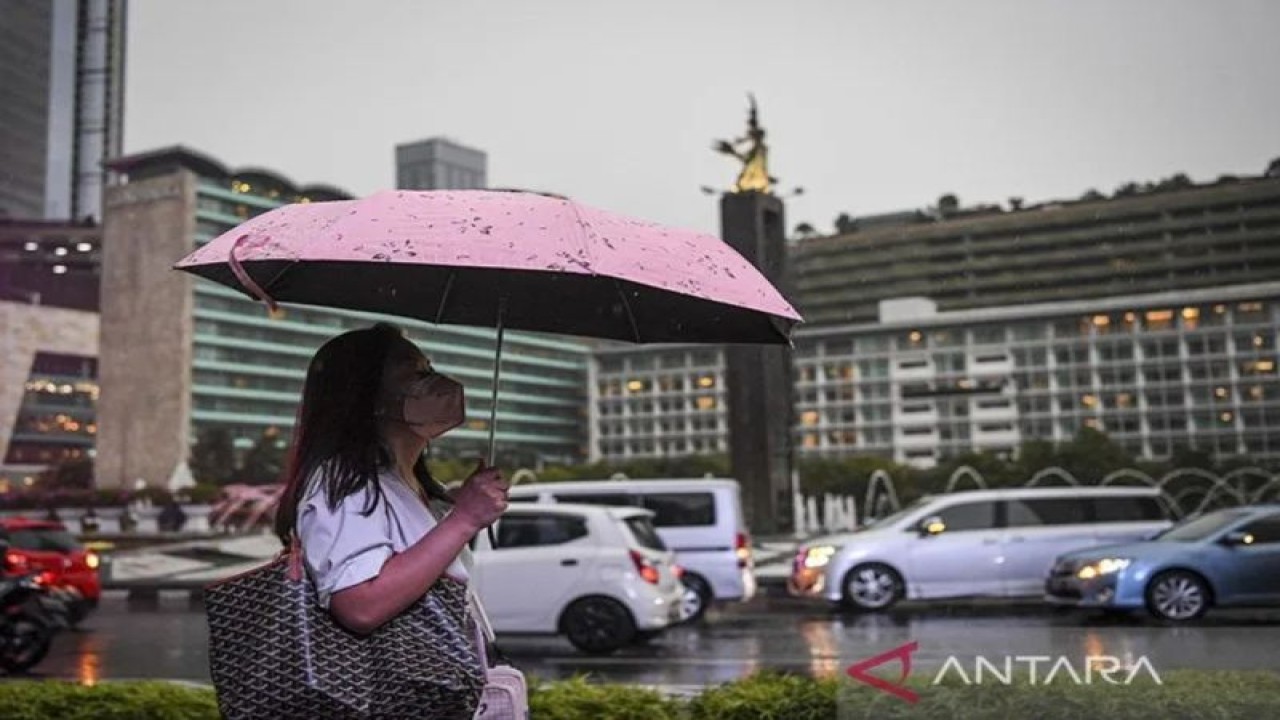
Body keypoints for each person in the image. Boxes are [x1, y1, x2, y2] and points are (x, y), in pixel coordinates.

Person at [272, 323, 508, 717]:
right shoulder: (344, 481)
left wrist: (459, 512)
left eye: (430, 368)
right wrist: (464, 520)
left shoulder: (415, 488)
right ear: (367, 395)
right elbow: (360, 604)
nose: (436, 382)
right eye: (416, 372)